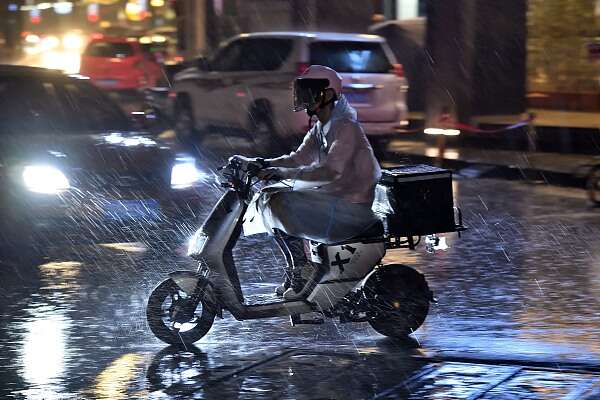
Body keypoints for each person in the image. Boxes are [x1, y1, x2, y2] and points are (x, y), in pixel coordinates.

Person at [233, 65, 382, 300]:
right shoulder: (322, 127)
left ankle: (304, 271)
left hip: (352, 210)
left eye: (309, 91)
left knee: (280, 202)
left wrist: (280, 173)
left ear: (327, 94)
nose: (303, 97)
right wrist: (261, 164)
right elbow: (298, 158)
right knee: (267, 197)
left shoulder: (346, 128)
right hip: (334, 201)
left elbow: (330, 171)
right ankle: (298, 271)